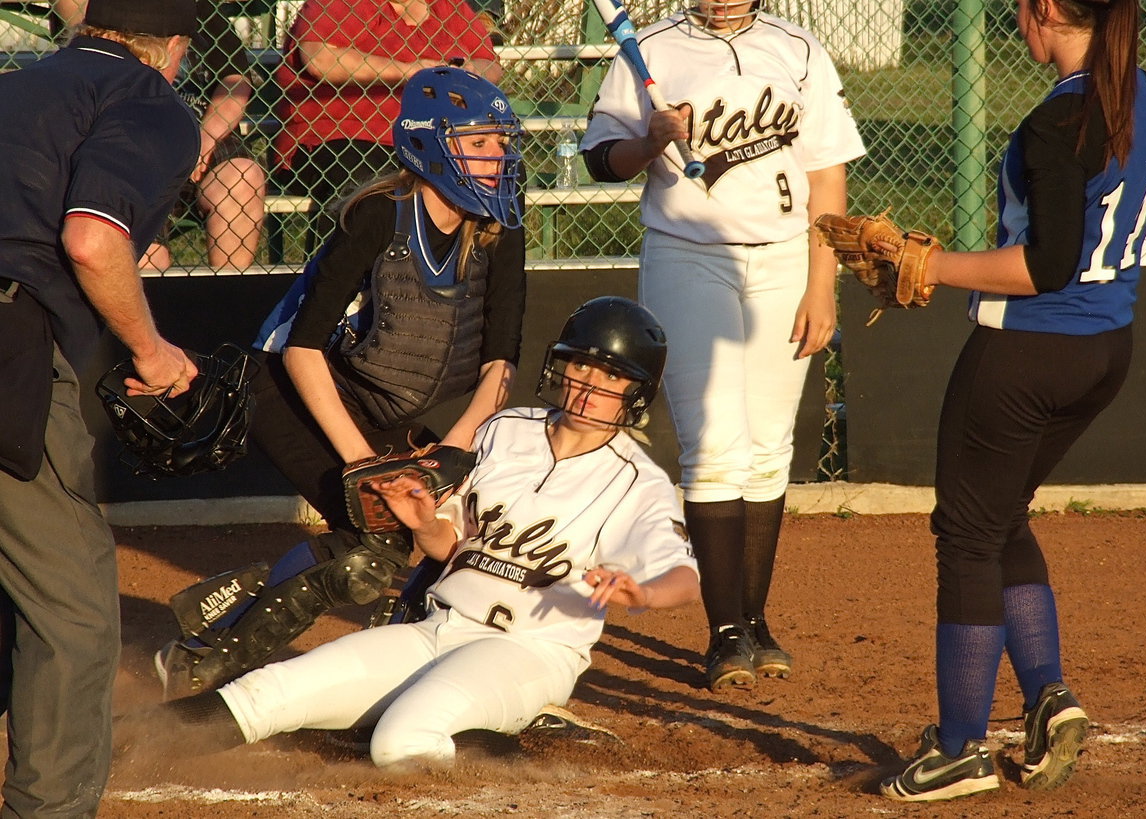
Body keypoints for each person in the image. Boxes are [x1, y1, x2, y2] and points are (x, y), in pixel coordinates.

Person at [122, 296, 700, 768]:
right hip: (438, 628)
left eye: (610, 376)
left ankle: (521, 743)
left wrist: (644, 593)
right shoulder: (507, 431)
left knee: (402, 740)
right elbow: (448, 548)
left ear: (635, 394)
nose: (588, 386)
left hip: (530, 651)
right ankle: (107, 744)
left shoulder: (636, 481)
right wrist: (423, 521)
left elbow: (685, 580)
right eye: (581, 366)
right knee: (269, 692)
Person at [874, 0, 1146, 802]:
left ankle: (961, 748)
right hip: (1105, 348)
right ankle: (1049, 696)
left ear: (1046, 11)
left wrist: (933, 263)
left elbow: (1044, 267)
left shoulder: (1060, 121)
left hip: (1026, 352)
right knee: (1001, 514)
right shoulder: (1145, 91)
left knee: (969, 535)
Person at [155, 65, 526, 700]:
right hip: (287, 388)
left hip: (381, 406)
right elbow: (301, 351)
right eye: (480, 141)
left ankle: (409, 664)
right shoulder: (379, 218)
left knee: (460, 528)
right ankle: (203, 657)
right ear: (429, 144)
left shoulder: (498, 227)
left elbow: (501, 364)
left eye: (501, 141)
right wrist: (362, 463)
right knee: (372, 548)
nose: (499, 157)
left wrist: (452, 452)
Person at [579, 0, 865, 690]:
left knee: (769, 448)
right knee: (713, 447)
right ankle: (724, 629)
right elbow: (600, 160)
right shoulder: (649, 48)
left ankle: (756, 619)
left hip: (786, 260)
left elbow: (827, 176)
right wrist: (649, 143)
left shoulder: (798, 48)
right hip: (688, 255)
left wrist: (822, 284)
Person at [0, 0, 201, 813]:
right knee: (75, 615)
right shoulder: (149, 100)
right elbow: (91, 236)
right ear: (175, 47)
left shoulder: (18, 87)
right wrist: (151, 350)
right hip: (13, 341)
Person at [275, 0, 503, 250]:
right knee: (364, 175)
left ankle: (469, 276)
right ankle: (341, 280)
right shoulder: (341, 4)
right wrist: (408, 71)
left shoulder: (447, 6)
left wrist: (466, 73)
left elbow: (488, 63)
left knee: (499, 171)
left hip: (431, 139)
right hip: (343, 133)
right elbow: (320, 57)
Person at [139, 0, 267, 271]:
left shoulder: (202, 12)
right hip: (144, 142)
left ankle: (227, 298)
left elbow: (237, 82)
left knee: (243, 176)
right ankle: (147, 303)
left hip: (203, 136)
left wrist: (203, 139)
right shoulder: (118, 15)